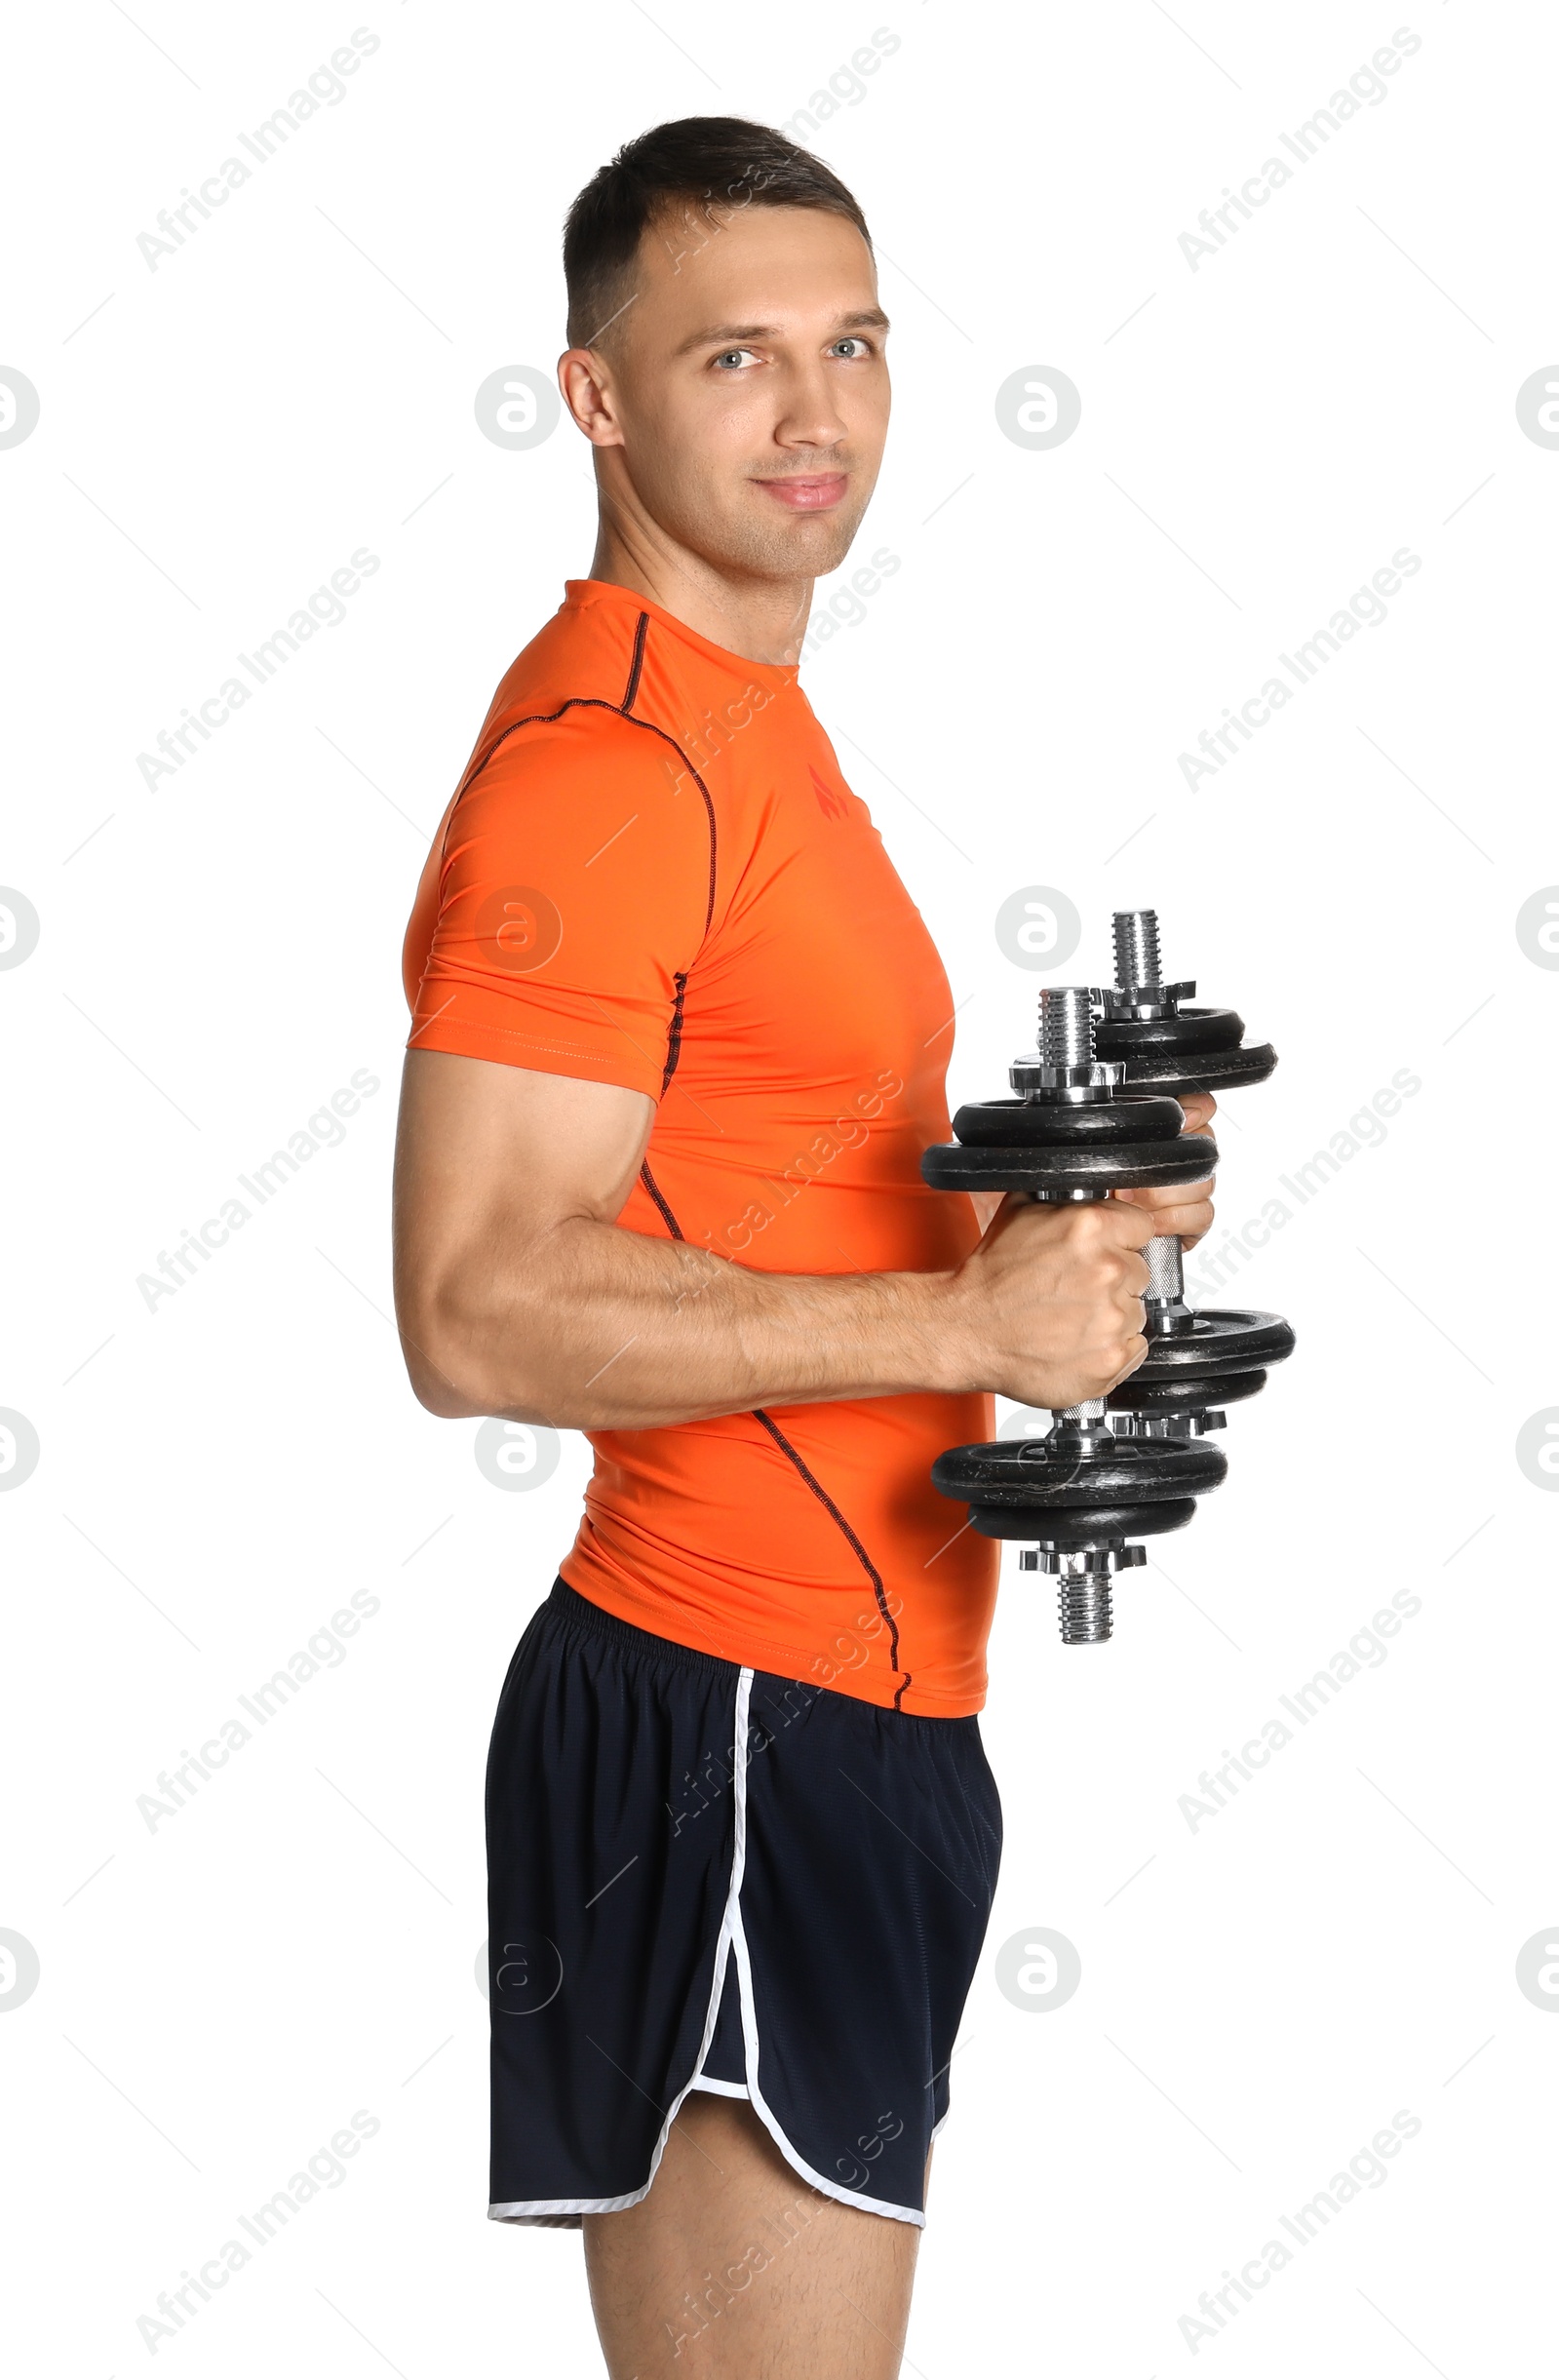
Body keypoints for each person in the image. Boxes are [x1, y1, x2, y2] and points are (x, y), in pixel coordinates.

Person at [393, 116, 1215, 2380]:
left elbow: (749, 1168)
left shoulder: (752, 733)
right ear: (597, 399)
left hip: (857, 1719)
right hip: (724, 1712)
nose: (817, 412)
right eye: (734, 357)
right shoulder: (604, 767)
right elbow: (471, 1306)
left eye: (849, 344)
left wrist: (1056, 1193)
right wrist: (960, 1313)